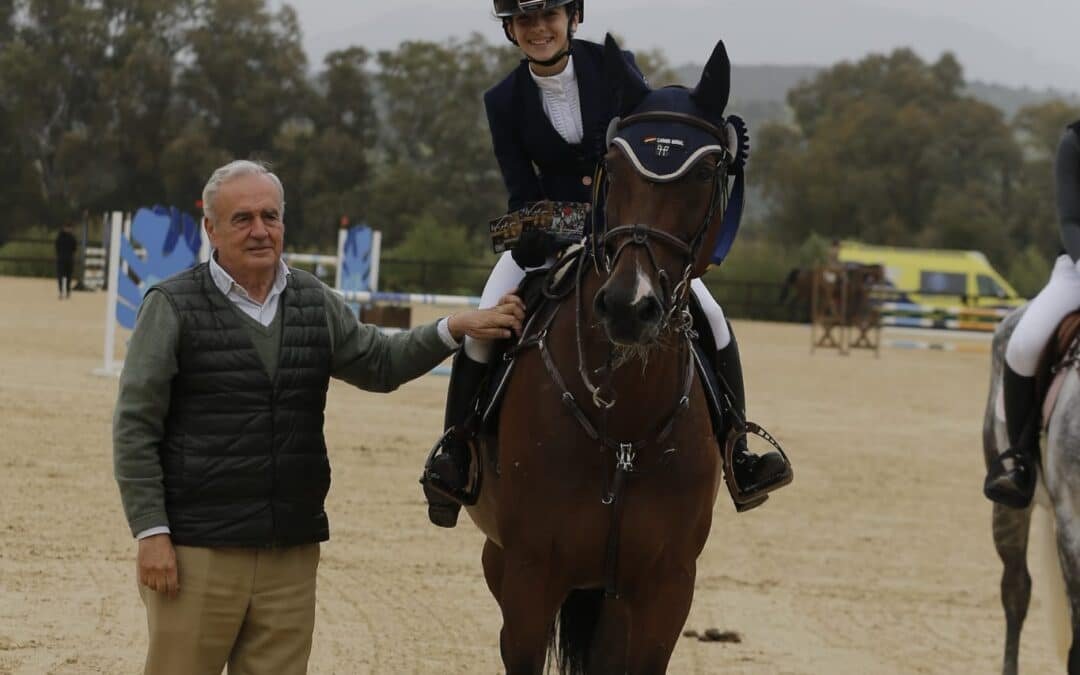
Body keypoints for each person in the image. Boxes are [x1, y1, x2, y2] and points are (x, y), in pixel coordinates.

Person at [112, 159, 524, 675]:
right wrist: (150, 533)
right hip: (198, 551)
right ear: (210, 228)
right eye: (242, 219)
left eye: (271, 216)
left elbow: (379, 362)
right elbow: (135, 426)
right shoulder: (170, 306)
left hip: (291, 553)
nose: (260, 230)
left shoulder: (313, 300)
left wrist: (454, 327)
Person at [420, 0, 789, 528]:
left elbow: (648, 146)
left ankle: (738, 450)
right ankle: (455, 451)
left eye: (548, 17)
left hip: (628, 231)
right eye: (525, 21)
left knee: (711, 317)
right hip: (547, 240)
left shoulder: (613, 69)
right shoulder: (502, 100)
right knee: (482, 325)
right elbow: (520, 185)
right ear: (510, 30)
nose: (538, 30)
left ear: (573, 18)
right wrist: (543, 229)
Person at [985, 121, 1080, 509]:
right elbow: (1072, 218)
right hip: (1078, 269)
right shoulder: (1075, 142)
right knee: (1023, 345)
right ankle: (1022, 457)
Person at [54, 221, 77, 299]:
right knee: (65, 276)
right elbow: (75, 248)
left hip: (63, 259)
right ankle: (64, 292)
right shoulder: (71, 237)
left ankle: (64, 292)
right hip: (67, 259)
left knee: (64, 276)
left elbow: (56, 247)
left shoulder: (59, 237)